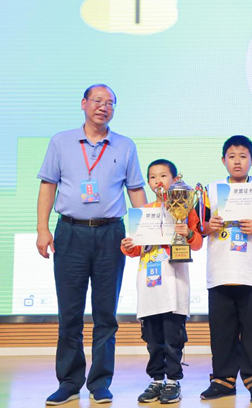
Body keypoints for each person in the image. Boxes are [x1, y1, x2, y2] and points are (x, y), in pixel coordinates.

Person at [36, 84, 147, 405]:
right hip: (70, 233)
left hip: (111, 234)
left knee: (106, 314)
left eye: (110, 103)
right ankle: (69, 382)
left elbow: (136, 191)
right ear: (84, 103)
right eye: (97, 101)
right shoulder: (61, 142)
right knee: (69, 313)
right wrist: (42, 229)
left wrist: (144, 234)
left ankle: (100, 382)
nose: (103, 107)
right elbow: (48, 186)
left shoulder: (125, 145)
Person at [198, 135, 252, 404]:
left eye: (243, 156)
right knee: (221, 332)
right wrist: (207, 226)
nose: (237, 161)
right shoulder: (210, 191)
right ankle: (222, 381)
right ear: (223, 160)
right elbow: (198, 227)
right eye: (232, 156)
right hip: (220, 273)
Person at [120, 159, 203, 404]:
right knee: (153, 339)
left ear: (175, 180)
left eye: (164, 176)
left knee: (173, 338)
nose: (158, 181)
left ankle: (174, 381)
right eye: (153, 177)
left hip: (174, 285)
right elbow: (136, 249)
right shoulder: (143, 211)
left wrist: (188, 233)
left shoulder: (185, 207)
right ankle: (156, 380)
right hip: (149, 285)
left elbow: (197, 243)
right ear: (148, 182)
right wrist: (128, 245)